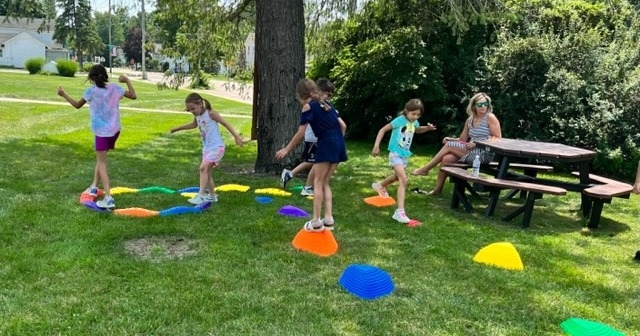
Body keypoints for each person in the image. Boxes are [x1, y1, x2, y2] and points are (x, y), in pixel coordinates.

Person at [57, 64, 137, 209]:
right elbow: (133, 95)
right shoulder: (114, 88)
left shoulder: (91, 91)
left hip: (102, 132)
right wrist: (127, 80)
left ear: (91, 78)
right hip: (115, 131)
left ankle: (108, 197)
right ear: (105, 76)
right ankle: (94, 186)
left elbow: (76, 105)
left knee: (102, 163)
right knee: (101, 159)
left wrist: (64, 95)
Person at [276, 78, 347, 232]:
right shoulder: (328, 105)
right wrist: (338, 142)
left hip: (326, 143)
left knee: (318, 183)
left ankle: (316, 221)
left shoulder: (308, 106)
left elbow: (301, 132)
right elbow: (343, 125)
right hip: (339, 144)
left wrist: (287, 149)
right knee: (325, 182)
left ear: (300, 95)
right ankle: (328, 219)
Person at [412, 92, 502, 195]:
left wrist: (477, 143)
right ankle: (437, 190)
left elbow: (497, 139)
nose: (483, 107)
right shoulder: (470, 120)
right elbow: (463, 139)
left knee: (449, 146)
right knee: (447, 159)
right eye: (480, 104)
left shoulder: (490, 117)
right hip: (471, 150)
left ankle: (425, 169)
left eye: (485, 104)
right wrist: (451, 140)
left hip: (484, 154)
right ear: (473, 106)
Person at [170, 92, 244, 205]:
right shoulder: (198, 116)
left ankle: (201, 195)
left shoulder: (211, 114)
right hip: (207, 148)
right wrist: (177, 128)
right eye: (189, 110)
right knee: (207, 173)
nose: (192, 112)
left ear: (200, 103)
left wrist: (237, 137)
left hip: (216, 147)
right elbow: (193, 125)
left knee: (202, 169)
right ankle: (213, 196)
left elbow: (225, 123)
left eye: (193, 109)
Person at [371, 99, 437, 223]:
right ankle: (399, 212)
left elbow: (417, 130)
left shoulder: (414, 122)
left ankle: (380, 186)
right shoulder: (399, 121)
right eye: (413, 114)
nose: (415, 117)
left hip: (404, 155)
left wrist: (427, 128)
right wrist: (376, 146)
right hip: (395, 153)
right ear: (407, 111)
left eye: (418, 115)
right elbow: (382, 130)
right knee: (403, 179)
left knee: (397, 177)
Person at [280, 78, 345, 196]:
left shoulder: (324, 106)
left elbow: (342, 125)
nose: (328, 96)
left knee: (315, 162)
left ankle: (298, 180)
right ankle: (306, 186)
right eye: (327, 93)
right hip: (316, 139)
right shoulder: (314, 106)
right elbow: (301, 132)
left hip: (324, 140)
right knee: (315, 163)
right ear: (318, 91)